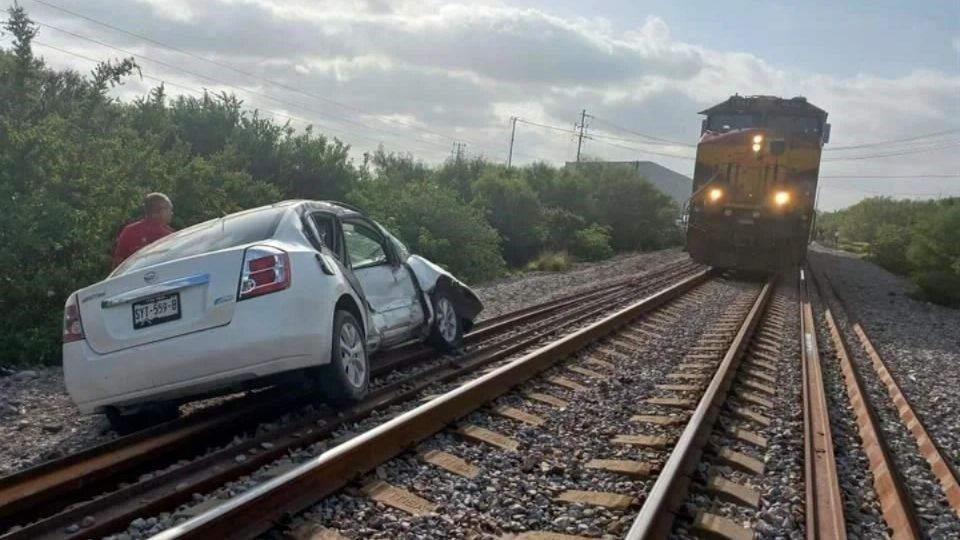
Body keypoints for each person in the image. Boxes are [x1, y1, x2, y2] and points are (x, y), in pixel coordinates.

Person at [112, 192, 175, 268]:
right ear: (157, 211)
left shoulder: (129, 231)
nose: (171, 213)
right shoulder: (170, 236)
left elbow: (118, 264)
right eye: (169, 208)